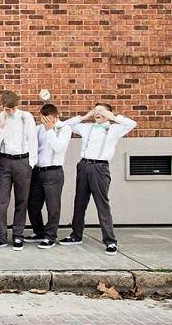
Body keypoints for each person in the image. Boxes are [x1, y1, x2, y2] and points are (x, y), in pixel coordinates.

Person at [59, 104, 137, 255]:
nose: (97, 113)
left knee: (102, 204)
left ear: (108, 113)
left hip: (100, 168)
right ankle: (76, 235)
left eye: (101, 110)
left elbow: (132, 124)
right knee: (79, 202)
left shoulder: (115, 128)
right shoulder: (87, 127)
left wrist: (112, 117)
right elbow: (63, 125)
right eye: (96, 110)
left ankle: (110, 241)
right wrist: (84, 117)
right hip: (83, 165)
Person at [0, 90, 38, 251]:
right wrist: (2, 126)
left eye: (12, 108)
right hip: (5, 161)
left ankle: (18, 235)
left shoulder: (26, 117)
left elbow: (33, 140)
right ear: (2, 106)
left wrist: (31, 163)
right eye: (7, 109)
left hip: (23, 161)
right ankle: (0, 236)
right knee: (1, 200)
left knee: (21, 200)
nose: (10, 111)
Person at [26, 103, 71, 249]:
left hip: (54, 171)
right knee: (32, 204)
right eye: (43, 119)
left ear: (55, 117)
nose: (45, 122)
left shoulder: (64, 128)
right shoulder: (38, 129)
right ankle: (39, 231)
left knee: (53, 206)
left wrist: (50, 130)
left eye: (48, 119)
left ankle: (50, 236)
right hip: (38, 171)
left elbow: (59, 148)